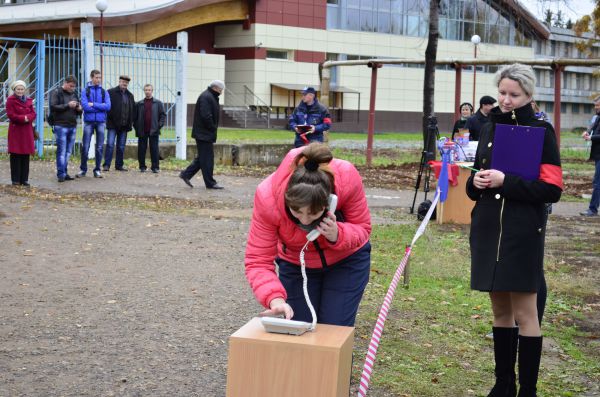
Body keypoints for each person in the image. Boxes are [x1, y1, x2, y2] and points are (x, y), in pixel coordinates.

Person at [466, 63, 563, 397]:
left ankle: (528, 391)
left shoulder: (542, 130)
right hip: (489, 227)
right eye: (503, 93)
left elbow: (552, 189)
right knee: (500, 310)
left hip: (522, 232)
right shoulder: (490, 127)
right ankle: (503, 383)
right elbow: (479, 172)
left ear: (529, 94)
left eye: (514, 94)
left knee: (526, 312)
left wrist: (507, 182)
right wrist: (474, 181)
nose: (505, 100)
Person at [244, 143, 371, 326]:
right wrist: (275, 298)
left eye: (313, 214)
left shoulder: (347, 177)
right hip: (296, 264)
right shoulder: (267, 197)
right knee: (298, 328)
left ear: (329, 202)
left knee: (334, 329)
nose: (304, 221)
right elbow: (258, 260)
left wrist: (338, 233)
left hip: (346, 261)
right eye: (296, 213)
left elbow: (363, 228)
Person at [179, 80, 225, 189]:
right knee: (207, 159)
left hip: (204, 133)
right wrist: (212, 127)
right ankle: (210, 183)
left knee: (203, 158)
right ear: (215, 88)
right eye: (220, 90)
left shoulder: (209, 96)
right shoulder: (207, 97)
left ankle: (186, 174)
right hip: (204, 133)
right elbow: (206, 115)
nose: (221, 92)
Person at [49, 75, 83, 182]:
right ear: (65, 83)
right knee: (62, 151)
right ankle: (61, 174)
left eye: (74, 87)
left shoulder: (74, 94)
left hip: (72, 125)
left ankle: (64, 172)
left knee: (68, 151)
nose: (72, 88)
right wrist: (68, 105)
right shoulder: (56, 92)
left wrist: (79, 108)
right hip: (60, 125)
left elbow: (79, 111)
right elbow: (53, 106)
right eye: (71, 86)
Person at [79, 69, 111, 178]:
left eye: (99, 77)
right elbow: (85, 107)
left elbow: (108, 106)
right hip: (89, 122)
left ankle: (97, 170)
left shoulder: (104, 91)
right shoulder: (85, 91)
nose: (98, 79)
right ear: (91, 77)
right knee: (85, 146)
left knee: (100, 147)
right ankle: (83, 169)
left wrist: (93, 104)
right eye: (96, 77)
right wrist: (99, 108)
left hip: (101, 122)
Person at [6, 80, 36, 186]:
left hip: (27, 131)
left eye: (22, 89)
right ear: (14, 90)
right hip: (16, 131)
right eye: (18, 89)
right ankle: (15, 179)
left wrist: (29, 117)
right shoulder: (10, 100)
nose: (20, 91)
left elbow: (33, 113)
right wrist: (24, 118)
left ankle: (24, 179)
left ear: (24, 90)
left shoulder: (28, 100)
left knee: (25, 155)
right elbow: (11, 115)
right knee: (16, 155)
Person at [103, 75, 135, 172]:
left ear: (127, 84)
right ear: (119, 81)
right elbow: (107, 108)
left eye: (126, 83)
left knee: (121, 146)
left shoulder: (130, 95)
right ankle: (106, 165)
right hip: (112, 125)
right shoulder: (111, 92)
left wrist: (130, 122)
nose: (124, 84)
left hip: (124, 126)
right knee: (110, 144)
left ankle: (119, 165)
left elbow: (132, 110)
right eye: (122, 82)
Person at [134, 84, 166, 173]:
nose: (147, 91)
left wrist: (159, 126)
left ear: (152, 91)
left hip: (154, 130)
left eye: (149, 90)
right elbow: (135, 117)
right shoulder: (139, 104)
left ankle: (155, 167)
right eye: (146, 90)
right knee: (141, 149)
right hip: (142, 130)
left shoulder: (158, 103)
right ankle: (142, 167)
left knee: (154, 149)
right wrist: (137, 127)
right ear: (144, 91)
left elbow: (163, 115)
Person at [580, 96, 600, 217]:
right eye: (595, 105)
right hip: (598, 155)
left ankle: (592, 209)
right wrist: (587, 132)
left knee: (597, 182)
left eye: (598, 106)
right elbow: (592, 127)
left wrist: (591, 137)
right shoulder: (597, 117)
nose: (595, 108)